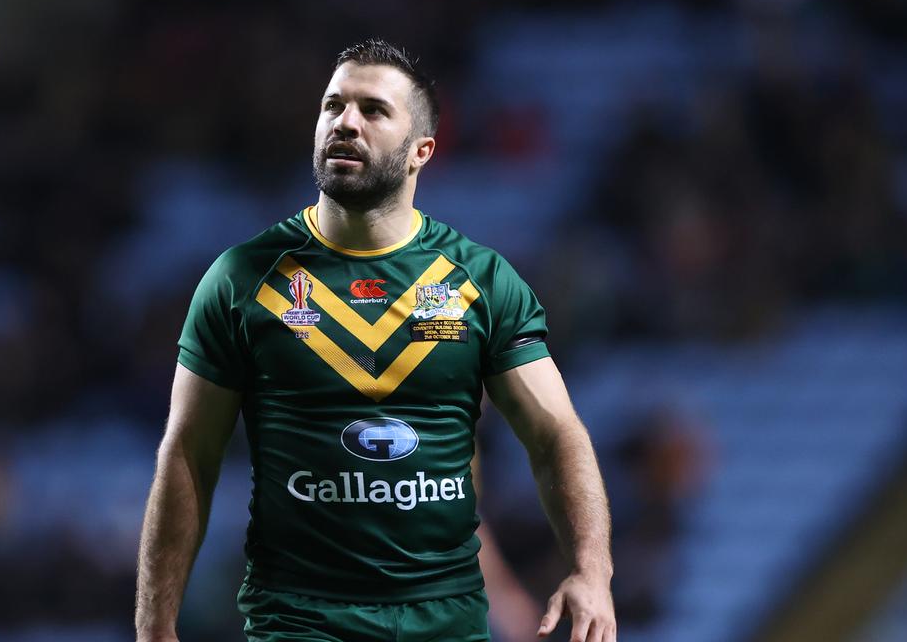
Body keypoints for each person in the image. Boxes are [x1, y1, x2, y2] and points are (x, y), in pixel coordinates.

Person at [135, 39, 616, 642]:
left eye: (373, 110)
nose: (346, 122)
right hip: (301, 624)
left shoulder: (482, 281)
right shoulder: (240, 279)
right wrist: (155, 626)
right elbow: (187, 454)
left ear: (423, 151)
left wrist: (591, 571)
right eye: (332, 106)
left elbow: (556, 434)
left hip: (446, 624)